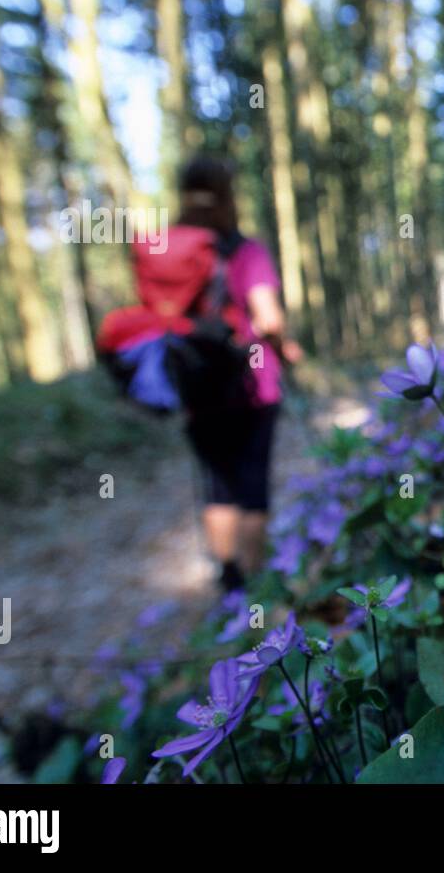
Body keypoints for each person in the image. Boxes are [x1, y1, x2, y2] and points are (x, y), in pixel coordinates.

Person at [172, 156, 302, 591]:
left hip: (197, 388)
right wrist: (285, 350)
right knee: (251, 485)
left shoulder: (172, 255)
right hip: (252, 383)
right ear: (229, 195)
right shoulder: (246, 250)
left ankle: (227, 576)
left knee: (217, 488)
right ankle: (254, 586)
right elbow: (268, 319)